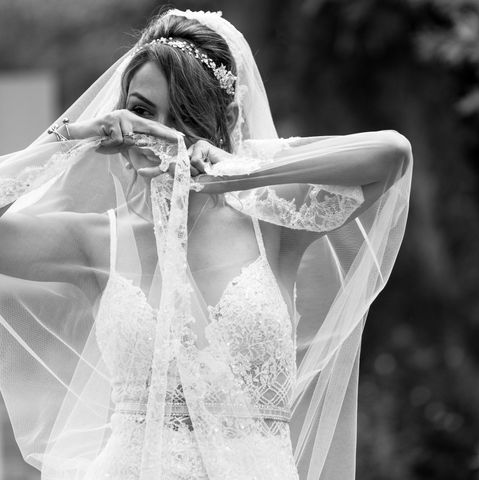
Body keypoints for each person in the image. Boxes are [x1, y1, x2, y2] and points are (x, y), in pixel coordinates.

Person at [0, 8, 412, 480]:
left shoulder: (273, 225)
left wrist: (236, 171)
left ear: (227, 119)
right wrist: (73, 136)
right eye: (140, 111)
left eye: (182, 116)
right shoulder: (96, 240)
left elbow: (392, 154)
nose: (154, 132)